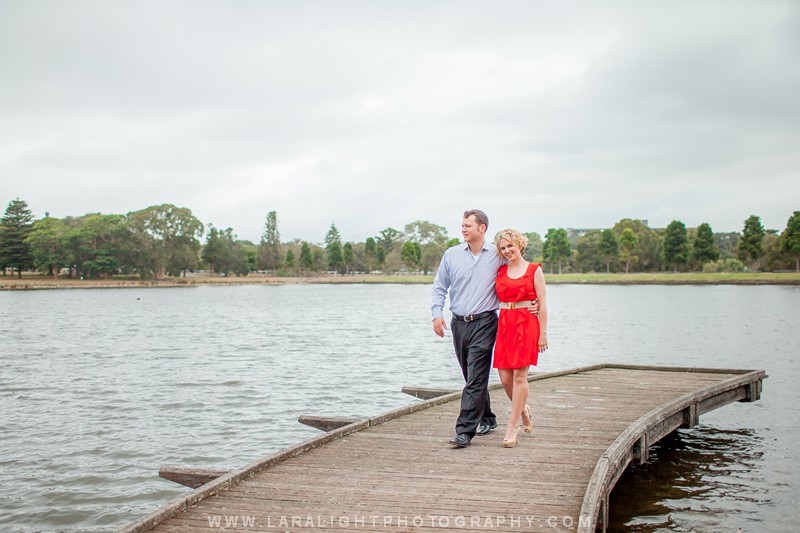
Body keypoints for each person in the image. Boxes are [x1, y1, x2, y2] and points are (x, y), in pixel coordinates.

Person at [431, 210, 538, 448]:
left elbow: (521, 272)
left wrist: (535, 302)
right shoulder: (452, 254)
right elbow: (439, 287)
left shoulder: (497, 255)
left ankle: (464, 431)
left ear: (482, 228)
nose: (463, 229)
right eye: (462, 225)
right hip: (458, 322)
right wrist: (436, 315)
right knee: (471, 376)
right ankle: (487, 417)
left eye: (468, 225)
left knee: (477, 375)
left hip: (486, 322)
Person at [492, 229, 548, 448]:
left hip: (527, 324)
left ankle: (511, 427)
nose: (507, 251)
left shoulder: (534, 270)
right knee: (505, 379)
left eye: (510, 246)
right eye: (503, 248)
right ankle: (523, 409)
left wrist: (543, 334)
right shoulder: (500, 271)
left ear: (519, 245)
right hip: (505, 323)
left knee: (519, 377)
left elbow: (542, 304)